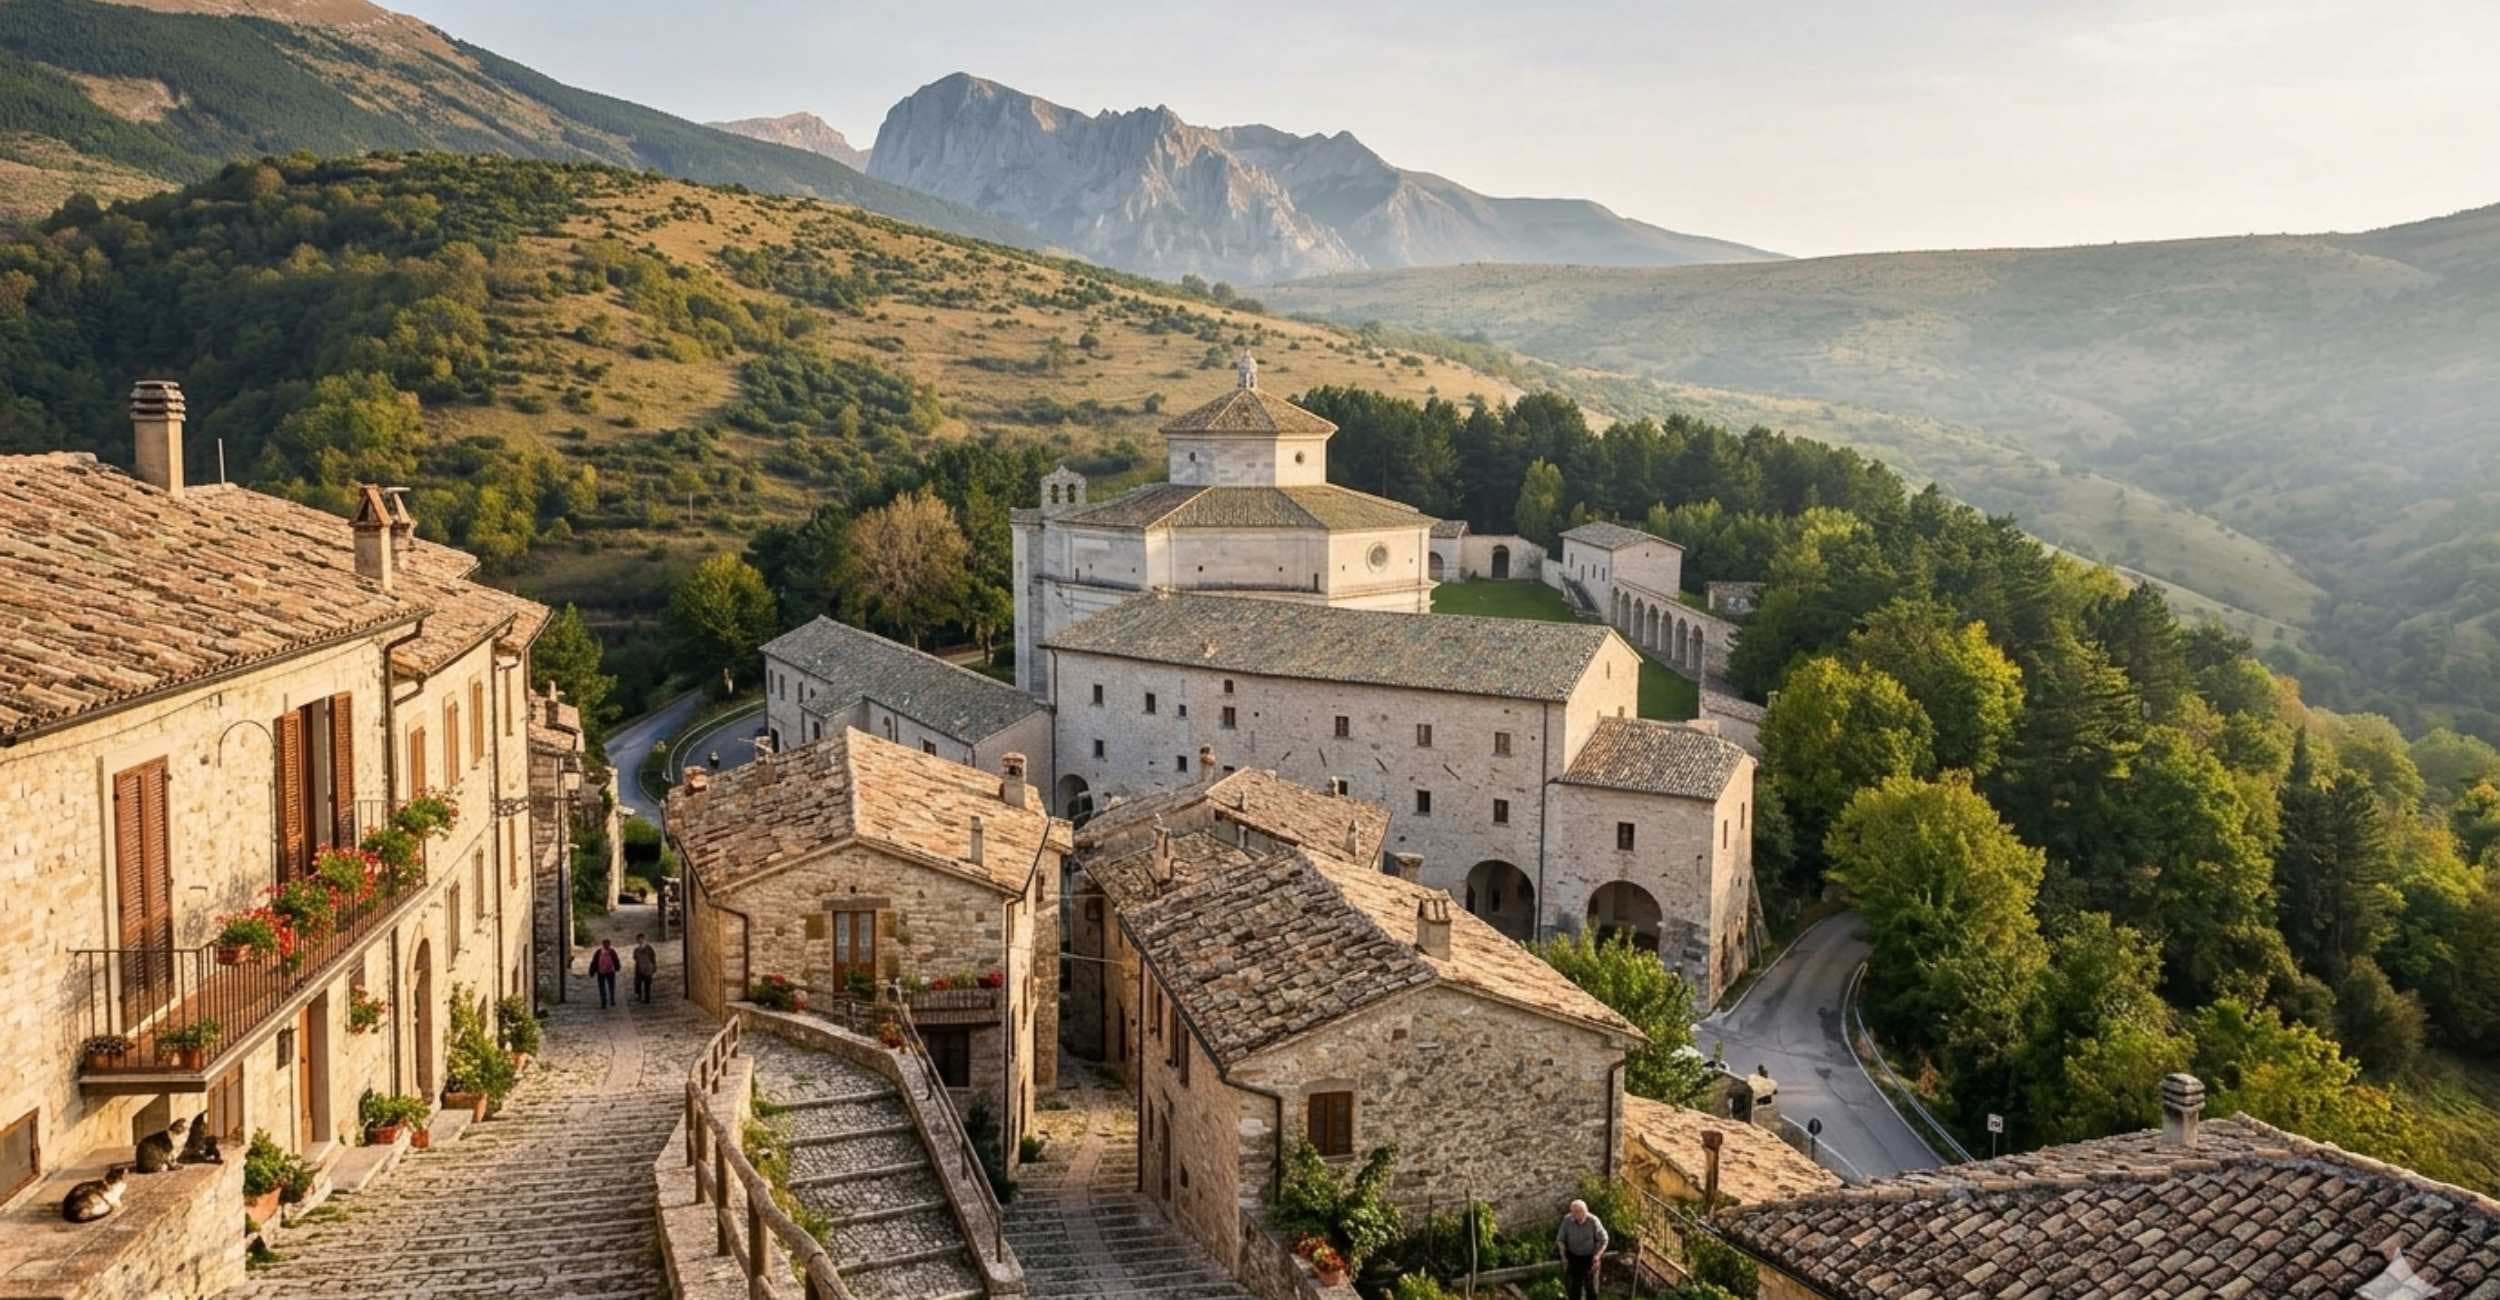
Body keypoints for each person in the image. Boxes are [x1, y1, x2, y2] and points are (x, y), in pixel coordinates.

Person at [1556, 1198, 1608, 1300]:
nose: (1577, 1217)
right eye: (1574, 1214)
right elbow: (1560, 1239)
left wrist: (1598, 1256)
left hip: (1590, 1258)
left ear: (1586, 1211)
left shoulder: (1593, 1221)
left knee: (1592, 1289)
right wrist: (1563, 1256)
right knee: (1574, 1289)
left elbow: (1604, 1239)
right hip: (1573, 1258)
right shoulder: (1567, 1220)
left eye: (1580, 1214)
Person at [589, 939, 621, 1009]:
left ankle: (604, 1002)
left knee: (602, 987)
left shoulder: (599, 951)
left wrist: (592, 971)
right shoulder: (612, 951)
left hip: (601, 972)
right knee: (611, 986)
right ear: (610, 944)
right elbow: (616, 960)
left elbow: (594, 962)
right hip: (610, 971)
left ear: (602, 944)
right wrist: (617, 968)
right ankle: (612, 999)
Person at [632, 932, 658, 1004]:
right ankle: (641, 997)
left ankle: (647, 999)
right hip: (640, 969)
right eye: (639, 939)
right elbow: (635, 958)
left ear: (643, 939)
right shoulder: (637, 949)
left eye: (641, 939)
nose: (640, 940)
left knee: (646, 985)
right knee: (639, 984)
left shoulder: (648, 948)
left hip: (646, 969)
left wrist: (654, 966)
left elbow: (653, 958)